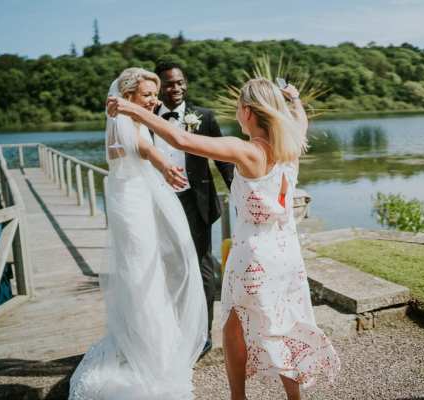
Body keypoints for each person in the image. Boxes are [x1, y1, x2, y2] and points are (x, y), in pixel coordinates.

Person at [107, 77, 340, 400]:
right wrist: (295, 98)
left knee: (232, 327)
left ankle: (237, 398)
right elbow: (300, 117)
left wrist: (133, 109)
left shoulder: (247, 151)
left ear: (246, 111)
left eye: (237, 109)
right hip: (287, 254)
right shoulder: (291, 144)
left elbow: (180, 139)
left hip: (253, 255)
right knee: (285, 324)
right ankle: (295, 398)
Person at [69, 68, 208, 400]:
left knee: (148, 271)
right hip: (130, 204)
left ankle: (148, 344)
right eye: (147, 94)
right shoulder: (124, 123)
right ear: (127, 95)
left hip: (134, 199)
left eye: (154, 94)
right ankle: (147, 352)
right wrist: (164, 165)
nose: (154, 100)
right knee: (139, 271)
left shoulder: (132, 120)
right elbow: (142, 148)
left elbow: (142, 146)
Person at [152, 61, 234, 355]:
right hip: (158, 205)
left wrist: (238, 191)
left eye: (180, 82)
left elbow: (223, 158)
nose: (176, 88)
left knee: (202, 267)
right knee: (165, 267)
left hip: (195, 203)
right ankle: (171, 329)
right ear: (158, 87)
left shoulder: (204, 116)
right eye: (169, 84)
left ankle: (203, 335)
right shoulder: (147, 118)